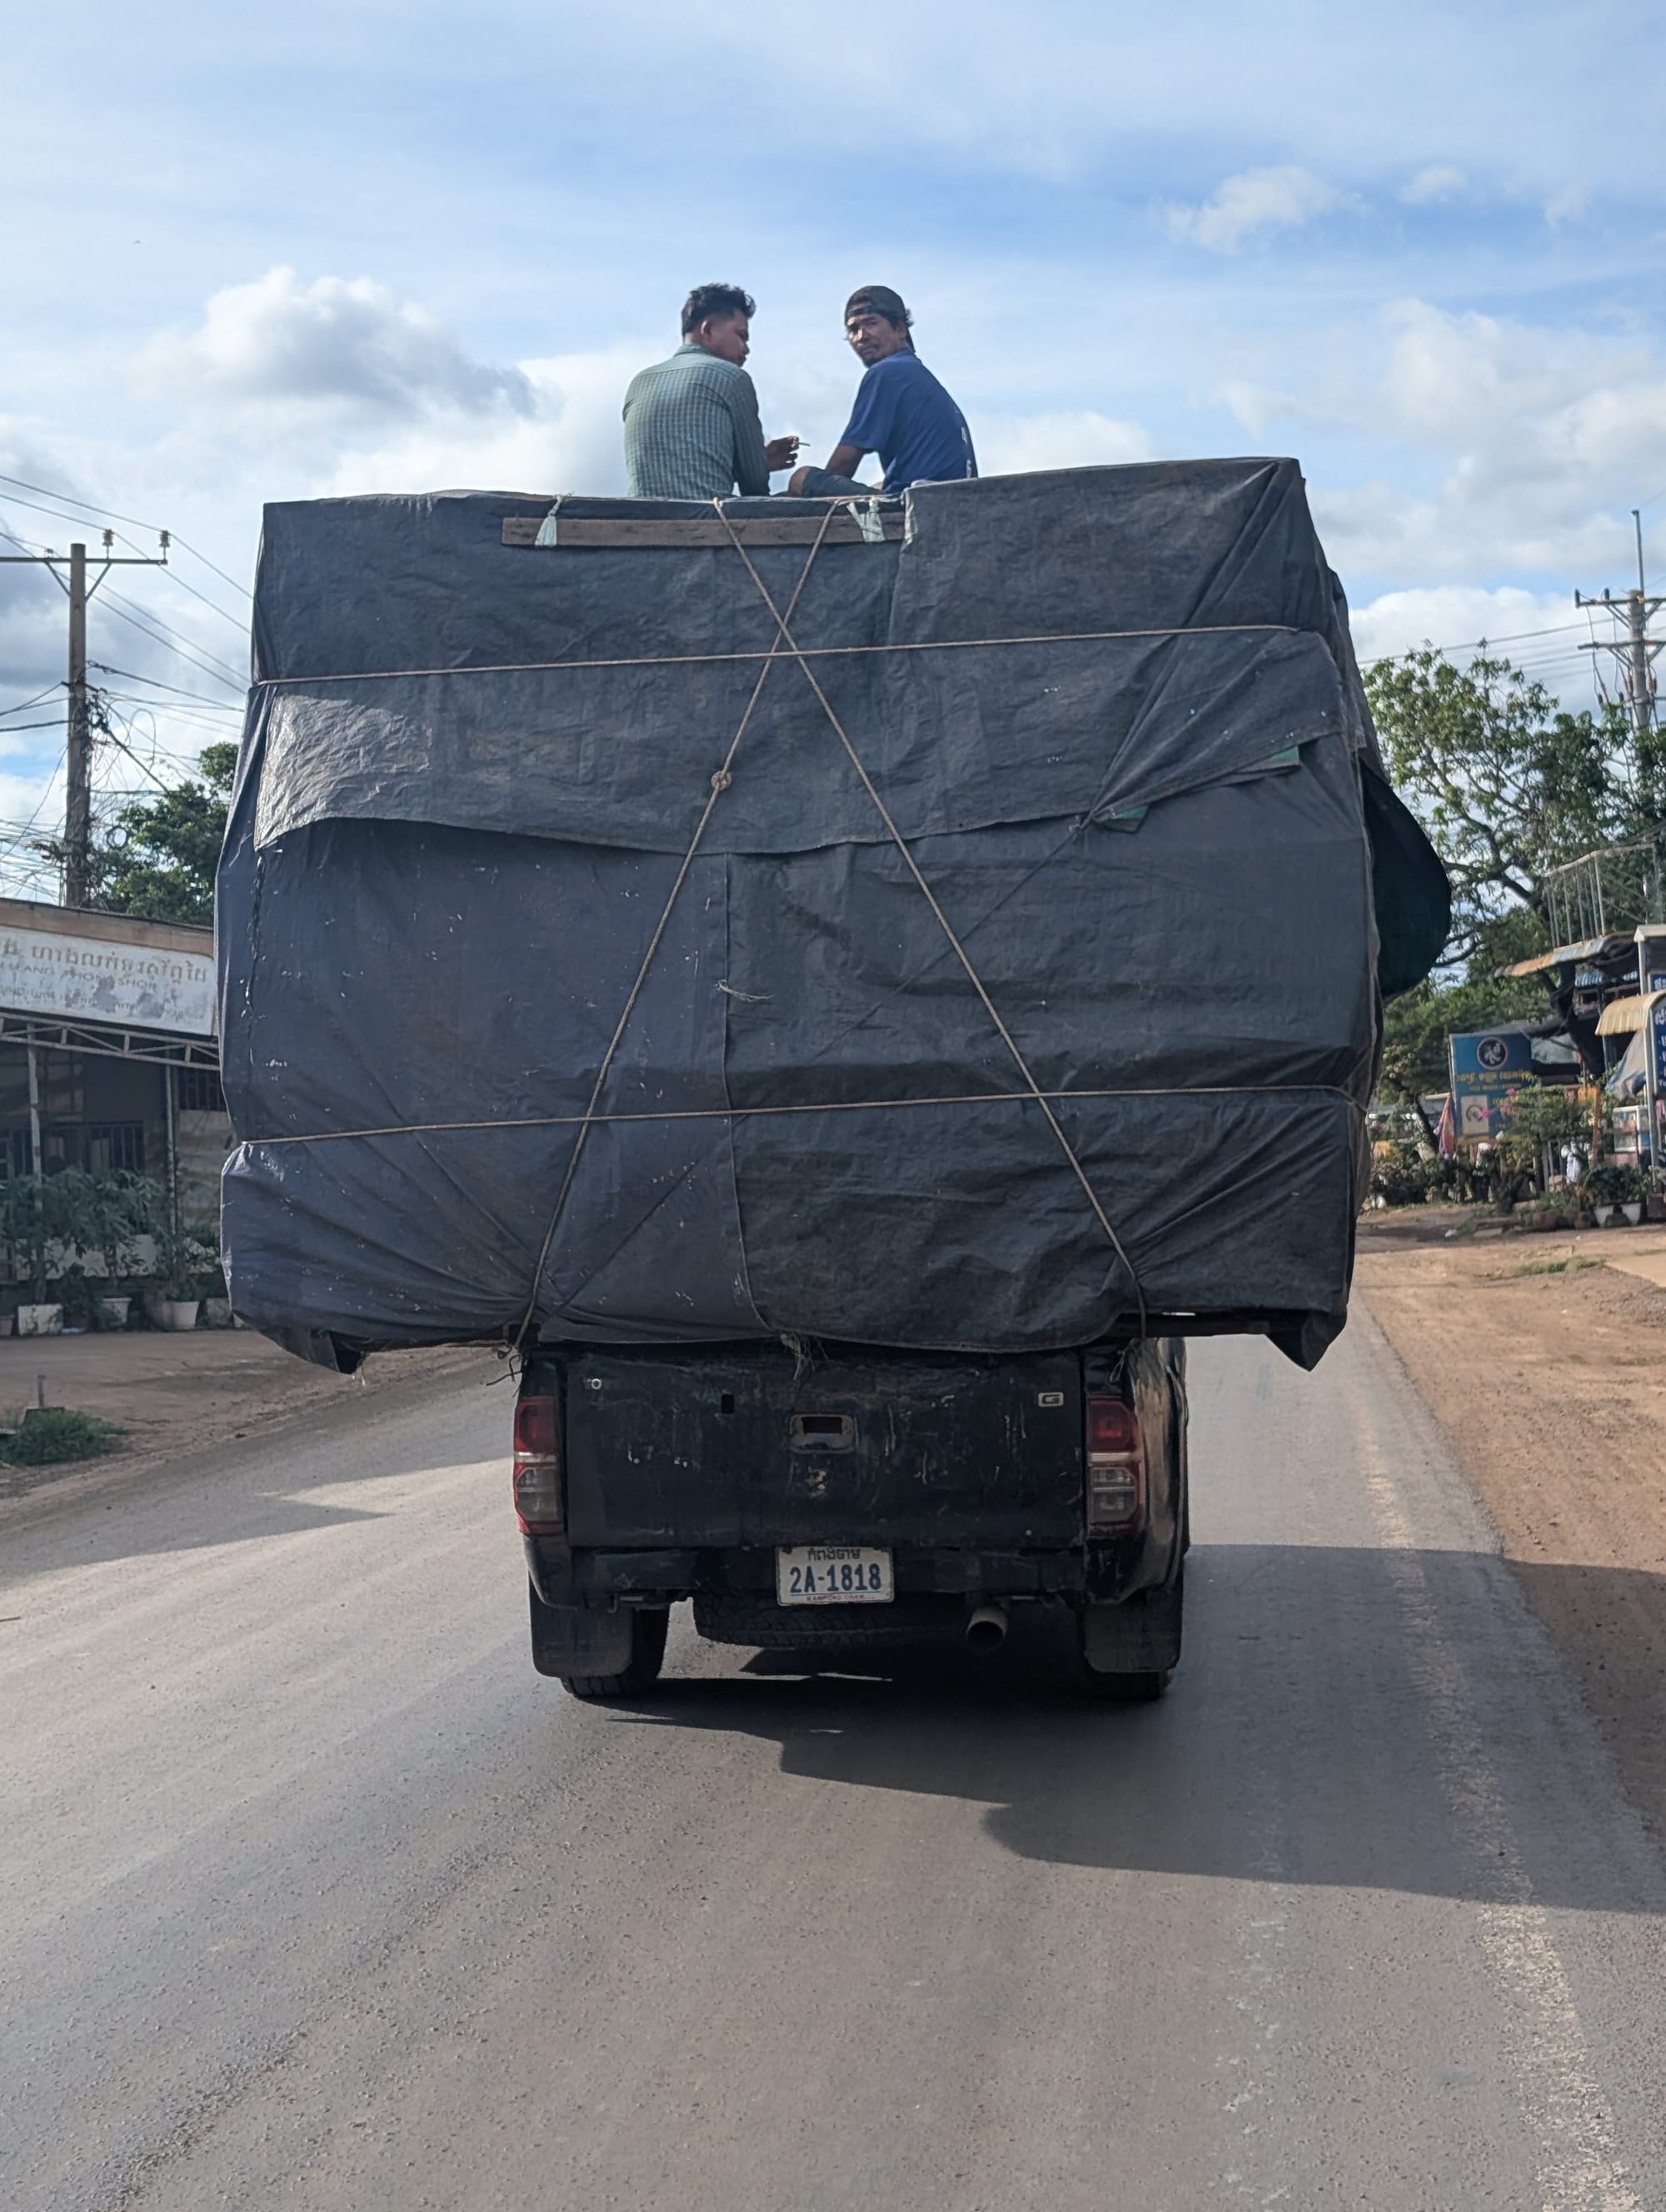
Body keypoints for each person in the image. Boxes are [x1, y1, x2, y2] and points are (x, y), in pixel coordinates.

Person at [790, 286, 976, 500]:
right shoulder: (914, 372)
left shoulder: (887, 373)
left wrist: (811, 491)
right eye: (853, 329)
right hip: (950, 497)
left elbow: (843, 465)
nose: (861, 336)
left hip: (921, 501)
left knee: (801, 479)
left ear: (901, 329)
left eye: (871, 323)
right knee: (879, 486)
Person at [623, 284, 801, 501]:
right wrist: (757, 465)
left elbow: (674, 473)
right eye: (741, 336)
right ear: (707, 329)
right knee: (802, 488)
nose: (746, 348)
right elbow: (754, 485)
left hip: (642, 516)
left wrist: (758, 460)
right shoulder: (732, 378)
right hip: (711, 519)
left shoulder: (639, 382)